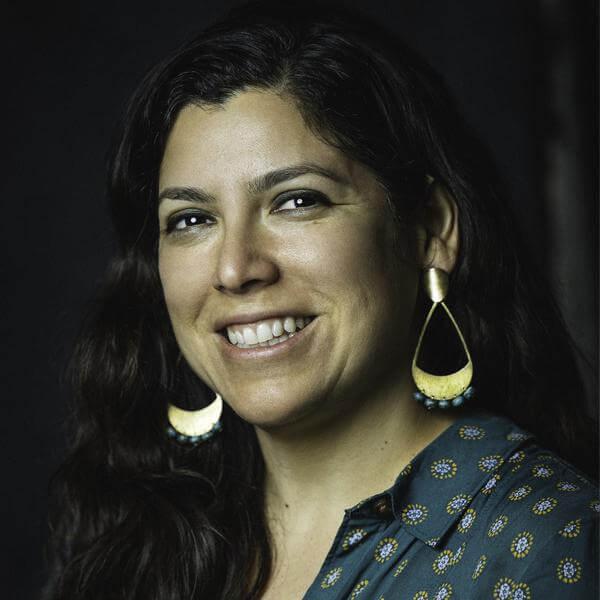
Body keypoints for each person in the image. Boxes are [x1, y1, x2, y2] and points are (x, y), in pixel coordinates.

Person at [43, 2, 598, 598]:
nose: (235, 270)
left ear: (430, 230)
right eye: (192, 219)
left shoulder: (550, 544)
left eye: (297, 201)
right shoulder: (133, 547)